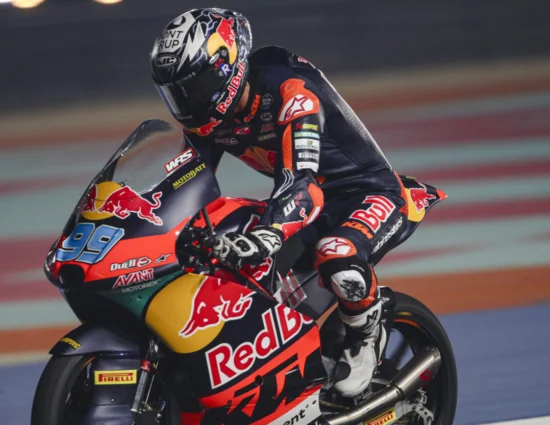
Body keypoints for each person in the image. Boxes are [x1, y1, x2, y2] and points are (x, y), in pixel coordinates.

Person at [150, 8, 409, 397]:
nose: (189, 101)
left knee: (336, 254)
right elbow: (184, 187)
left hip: (366, 194)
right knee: (240, 274)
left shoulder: (291, 93)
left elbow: (301, 185)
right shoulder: (209, 120)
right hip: (305, 207)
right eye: (176, 93)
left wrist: (268, 233)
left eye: (196, 86)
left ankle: (366, 336)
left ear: (227, 67)